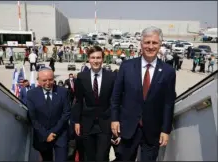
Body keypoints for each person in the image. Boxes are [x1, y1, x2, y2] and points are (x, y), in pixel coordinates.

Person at [111, 26, 176, 161]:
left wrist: (165, 130)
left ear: (160, 45)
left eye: (154, 43)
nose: (150, 46)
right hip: (127, 127)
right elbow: (116, 96)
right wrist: (114, 119)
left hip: (153, 131)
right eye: (147, 42)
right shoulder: (126, 66)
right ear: (141, 44)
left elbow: (168, 103)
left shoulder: (168, 71)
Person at [73, 46, 116, 161]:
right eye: (93, 58)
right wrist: (77, 121)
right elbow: (78, 101)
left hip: (105, 123)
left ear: (103, 59)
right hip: (87, 123)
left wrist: (115, 120)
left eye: (98, 58)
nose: (96, 61)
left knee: (102, 157)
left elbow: (114, 101)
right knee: (89, 157)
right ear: (88, 59)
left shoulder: (111, 77)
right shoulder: (81, 77)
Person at [27, 67, 71, 162]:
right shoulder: (31, 94)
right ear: (38, 80)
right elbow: (32, 118)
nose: (48, 83)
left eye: (50, 79)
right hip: (42, 136)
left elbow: (66, 113)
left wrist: (53, 132)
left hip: (60, 135)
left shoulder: (63, 92)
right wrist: (45, 134)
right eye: (44, 80)